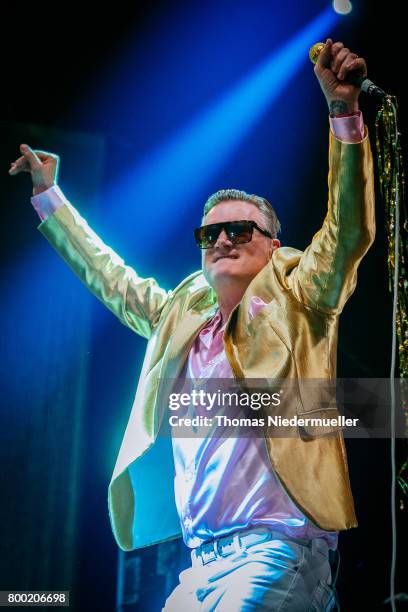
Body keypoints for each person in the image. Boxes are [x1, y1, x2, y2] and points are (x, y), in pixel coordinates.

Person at [9, 39, 375, 610]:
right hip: (200, 563)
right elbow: (112, 279)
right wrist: (50, 198)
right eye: (211, 233)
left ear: (274, 246)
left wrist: (344, 113)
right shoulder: (183, 315)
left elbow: (348, 228)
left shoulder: (302, 293)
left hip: (277, 549)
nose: (223, 239)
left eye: (240, 230)